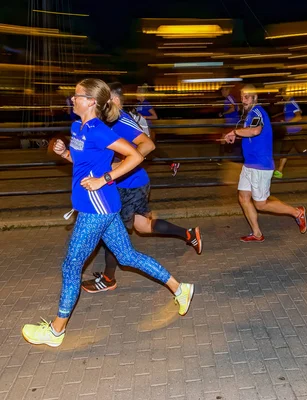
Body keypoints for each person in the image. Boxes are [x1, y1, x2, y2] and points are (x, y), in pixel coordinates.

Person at [21, 78, 194, 347]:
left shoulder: (100, 130)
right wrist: (64, 151)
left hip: (96, 208)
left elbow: (136, 156)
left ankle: (55, 331)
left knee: (71, 265)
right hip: (102, 206)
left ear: (91, 101)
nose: (72, 99)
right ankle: (180, 288)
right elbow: (80, 162)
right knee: (126, 256)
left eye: (77, 95)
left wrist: (106, 178)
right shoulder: (77, 126)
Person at [80, 82, 202, 293]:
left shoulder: (119, 120)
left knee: (113, 230)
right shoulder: (109, 119)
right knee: (143, 226)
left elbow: (148, 145)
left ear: (114, 100)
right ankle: (189, 234)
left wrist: (117, 166)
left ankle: (109, 279)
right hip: (131, 182)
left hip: (129, 184)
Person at [223, 85, 307, 242]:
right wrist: (238, 135)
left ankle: (297, 212)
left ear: (255, 98)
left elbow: (255, 131)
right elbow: (252, 133)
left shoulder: (257, 111)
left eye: (247, 96)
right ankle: (257, 234)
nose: (244, 99)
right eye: (242, 96)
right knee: (243, 197)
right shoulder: (249, 115)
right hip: (250, 164)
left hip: (260, 164)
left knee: (261, 204)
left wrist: (234, 132)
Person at [273, 95, 307, 179]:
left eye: (284, 92)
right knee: (284, 151)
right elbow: (297, 112)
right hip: (289, 132)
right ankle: (280, 171)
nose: (283, 95)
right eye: (281, 93)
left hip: (296, 133)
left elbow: (298, 117)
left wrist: (286, 123)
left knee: (304, 152)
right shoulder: (287, 103)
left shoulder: (291, 102)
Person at [136, 84, 179, 176]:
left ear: (142, 94)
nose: (135, 94)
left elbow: (155, 116)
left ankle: (172, 163)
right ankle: (172, 163)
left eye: (137, 92)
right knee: (150, 151)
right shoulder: (138, 104)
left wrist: (144, 117)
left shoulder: (146, 104)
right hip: (142, 130)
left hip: (148, 130)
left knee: (151, 150)